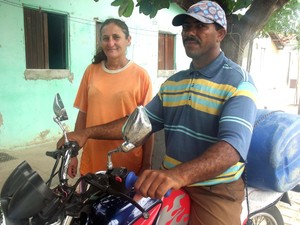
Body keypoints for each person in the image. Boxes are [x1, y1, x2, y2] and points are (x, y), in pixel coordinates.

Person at [58, 1, 257, 224]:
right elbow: (138, 125)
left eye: (200, 26)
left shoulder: (238, 82)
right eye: (186, 27)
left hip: (213, 190)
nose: (190, 32)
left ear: (220, 33)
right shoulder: (173, 84)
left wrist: (178, 175)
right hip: (166, 183)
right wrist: (86, 133)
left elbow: (231, 148)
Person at [67, 18, 154, 184]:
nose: (111, 43)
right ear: (101, 42)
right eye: (106, 38)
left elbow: (148, 126)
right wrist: (73, 155)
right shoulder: (91, 71)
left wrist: (147, 164)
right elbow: (83, 113)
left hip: (126, 164)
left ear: (128, 40)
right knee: (89, 209)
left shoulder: (141, 76)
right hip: (92, 161)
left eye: (116, 37)